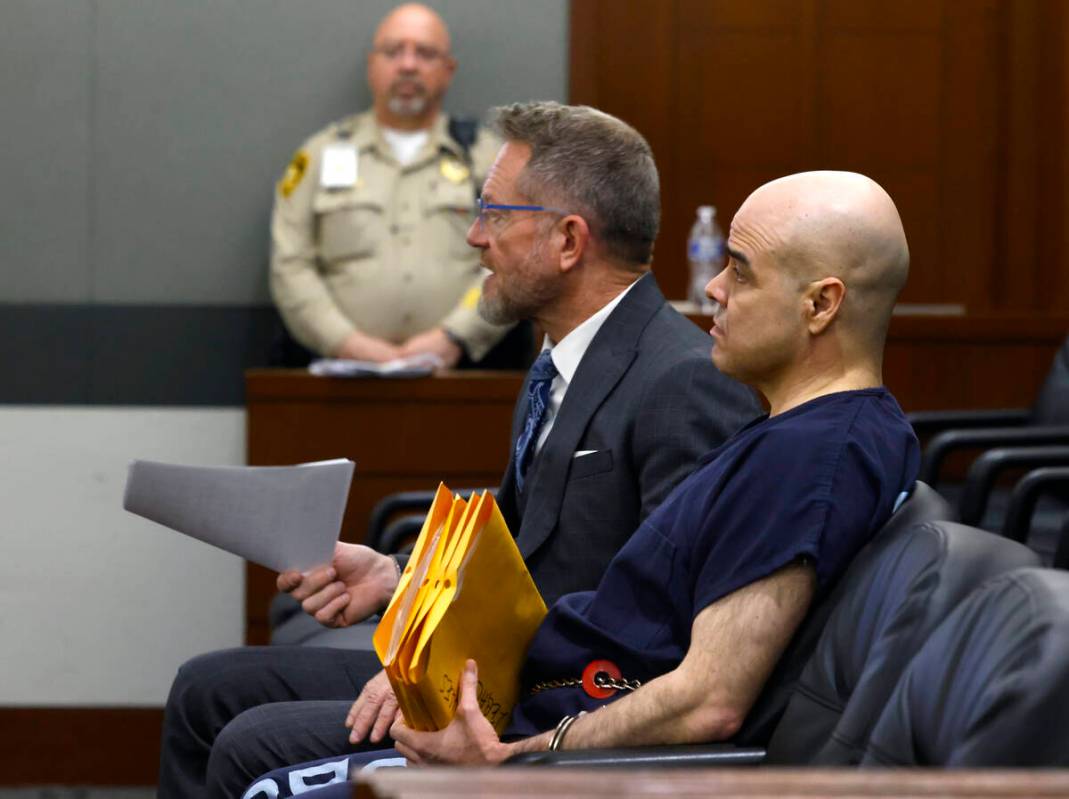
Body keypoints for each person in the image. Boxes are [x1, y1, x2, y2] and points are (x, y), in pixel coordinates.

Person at [240, 168, 922, 797]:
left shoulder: (809, 458)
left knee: (251, 762)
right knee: (240, 725)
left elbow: (708, 698)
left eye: (739, 273)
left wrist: (518, 760)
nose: (712, 287)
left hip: (553, 748)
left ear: (820, 305)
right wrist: (404, 580)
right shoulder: (812, 430)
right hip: (542, 693)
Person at [159, 102, 760, 798]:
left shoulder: (682, 382)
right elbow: (509, 554)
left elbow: (660, 625)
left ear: (568, 241)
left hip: (544, 708)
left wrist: (444, 660)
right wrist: (396, 577)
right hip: (491, 670)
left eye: (495, 215)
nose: (475, 238)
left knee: (245, 743)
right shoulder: (560, 360)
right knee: (205, 689)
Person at [270, 3, 510, 368]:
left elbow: (512, 257)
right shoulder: (319, 156)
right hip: (337, 379)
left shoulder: (489, 160)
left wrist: (455, 336)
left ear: (448, 70)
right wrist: (346, 343)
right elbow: (291, 264)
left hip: (464, 378)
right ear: (372, 65)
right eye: (393, 51)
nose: (408, 65)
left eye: (425, 53)